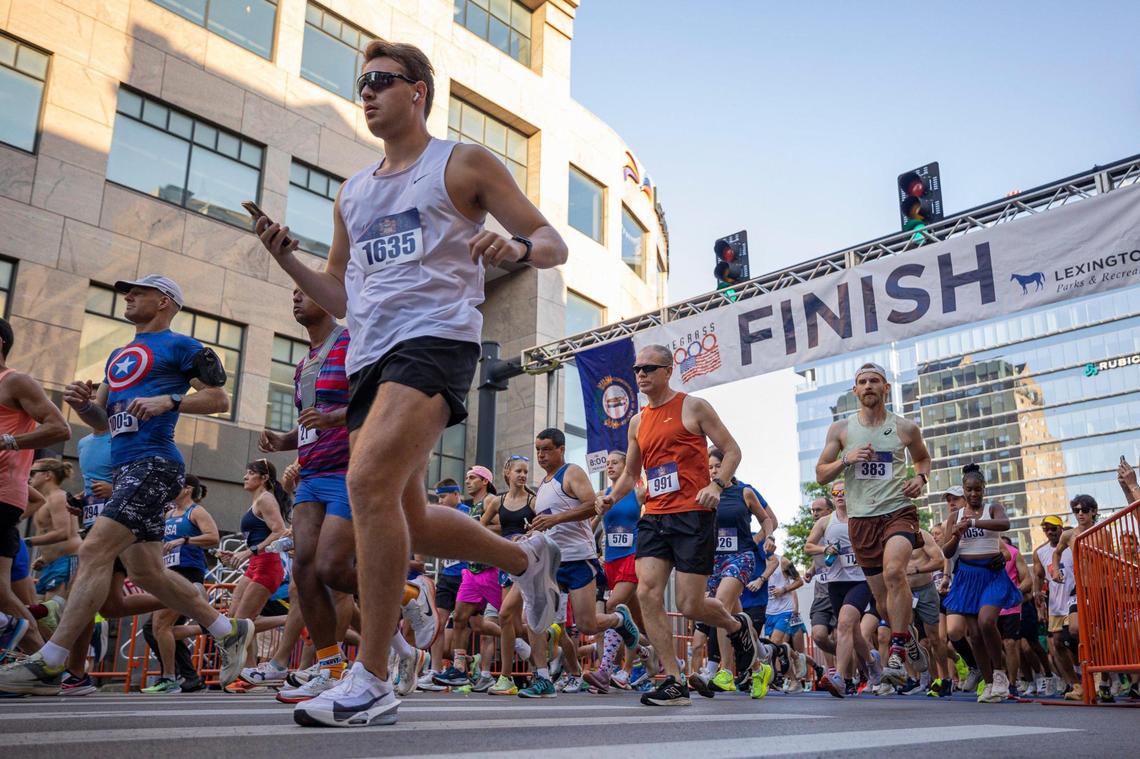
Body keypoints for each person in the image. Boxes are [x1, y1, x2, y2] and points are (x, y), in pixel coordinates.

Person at [256, 39, 567, 727]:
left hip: (436, 341)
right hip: (369, 357)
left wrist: (514, 246)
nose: (366, 92)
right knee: (410, 517)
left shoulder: (460, 163)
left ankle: (371, 677)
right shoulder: (354, 192)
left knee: (365, 484)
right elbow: (339, 295)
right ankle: (526, 555)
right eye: (360, 83)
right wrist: (288, 260)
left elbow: (551, 242)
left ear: (418, 90)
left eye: (380, 81)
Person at [0, 276, 254, 696]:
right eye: (126, 292)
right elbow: (101, 420)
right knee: (147, 572)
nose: (129, 296)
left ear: (165, 301)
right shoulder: (119, 355)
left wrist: (170, 401)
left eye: (138, 291)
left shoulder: (182, 346)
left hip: (154, 464)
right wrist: (84, 404)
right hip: (126, 470)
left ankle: (51, 663)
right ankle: (229, 630)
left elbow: (218, 399)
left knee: (94, 551)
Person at [598, 345, 757, 707]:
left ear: (668, 370)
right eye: (637, 369)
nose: (641, 374)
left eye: (649, 368)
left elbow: (732, 450)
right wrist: (611, 495)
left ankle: (736, 627)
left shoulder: (693, 406)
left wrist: (717, 485)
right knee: (646, 592)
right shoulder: (637, 422)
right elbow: (630, 473)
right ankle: (673, 679)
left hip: (693, 514)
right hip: (654, 516)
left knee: (690, 604)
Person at [815, 362, 932, 686]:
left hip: (897, 511)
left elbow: (923, 458)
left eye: (874, 381)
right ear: (855, 390)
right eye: (862, 382)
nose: (868, 386)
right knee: (881, 599)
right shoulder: (841, 430)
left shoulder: (905, 428)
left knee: (895, 572)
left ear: (886, 388)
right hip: (861, 519)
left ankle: (896, 649)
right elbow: (821, 473)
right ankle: (904, 633)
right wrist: (846, 460)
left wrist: (920, 478)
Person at [520, 428, 639, 698]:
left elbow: (592, 506)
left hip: (578, 559)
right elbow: (546, 525)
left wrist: (555, 520)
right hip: (550, 564)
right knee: (536, 620)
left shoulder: (571, 473)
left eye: (547, 449)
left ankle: (619, 620)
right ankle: (542, 678)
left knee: (586, 625)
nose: (541, 454)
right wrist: (529, 535)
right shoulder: (543, 486)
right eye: (538, 449)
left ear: (561, 449)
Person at [0, 316, 71, 655]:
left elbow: (60, 428)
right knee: (3, 591)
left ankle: (15, 629)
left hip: (1, 493)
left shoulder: (15, 382)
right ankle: (39, 664)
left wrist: (7, 442)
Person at [939, 464, 1020, 703]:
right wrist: (957, 533)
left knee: (986, 621)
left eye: (977, 489)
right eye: (969, 490)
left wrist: (973, 524)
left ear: (984, 489)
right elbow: (946, 551)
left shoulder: (992, 508)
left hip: (991, 575)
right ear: (964, 491)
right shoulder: (954, 516)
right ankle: (988, 682)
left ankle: (1000, 674)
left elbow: (1004, 525)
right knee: (973, 634)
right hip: (967, 576)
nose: (973, 494)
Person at [141, 475, 219, 694]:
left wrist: (184, 540)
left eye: (173, 485)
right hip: (168, 574)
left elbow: (213, 537)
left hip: (187, 573)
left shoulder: (195, 512)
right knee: (153, 629)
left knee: (160, 626)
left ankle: (169, 678)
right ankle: (207, 630)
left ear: (187, 489)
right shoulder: (168, 514)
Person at [220, 459, 291, 685]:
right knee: (234, 619)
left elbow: (280, 530)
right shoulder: (257, 501)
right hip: (255, 564)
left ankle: (292, 620)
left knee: (243, 622)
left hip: (268, 564)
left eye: (250, 473)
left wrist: (248, 552)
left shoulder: (266, 499)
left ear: (264, 478)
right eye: (246, 473)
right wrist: (237, 555)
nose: (245, 477)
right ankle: (248, 671)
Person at [583, 450, 646, 694]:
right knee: (636, 620)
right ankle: (651, 653)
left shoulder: (639, 492)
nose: (609, 467)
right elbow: (591, 528)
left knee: (615, 606)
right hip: (611, 561)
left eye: (615, 463)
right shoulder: (603, 495)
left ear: (626, 466)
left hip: (632, 557)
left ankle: (606, 670)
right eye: (607, 464)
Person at [804, 489, 874, 698]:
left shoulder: (861, 515)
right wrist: (824, 550)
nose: (840, 495)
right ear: (833, 498)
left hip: (860, 581)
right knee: (853, 632)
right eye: (835, 492)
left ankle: (841, 678)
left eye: (844, 491)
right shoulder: (826, 522)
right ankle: (872, 662)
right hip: (836, 583)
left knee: (844, 624)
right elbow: (808, 546)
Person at [482, 457, 537, 696]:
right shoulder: (497, 501)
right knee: (513, 623)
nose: (523, 475)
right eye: (518, 471)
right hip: (506, 564)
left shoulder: (533, 501)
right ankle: (544, 660)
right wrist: (497, 545)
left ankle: (507, 677)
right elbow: (481, 527)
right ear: (507, 473)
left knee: (505, 616)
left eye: (525, 471)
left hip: (528, 564)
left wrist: (528, 536)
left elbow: (546, 526)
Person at [1051, 494, 1100, 701]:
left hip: (1098, 589)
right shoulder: (1069, 535)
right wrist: (1055, 570)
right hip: (1077, 590)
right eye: (1076, 510)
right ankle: (1078, 683)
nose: (1080, 514)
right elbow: (1056, 553)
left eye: (1084, 510)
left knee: (1099, 636)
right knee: (1066, 635)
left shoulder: (1101, 532)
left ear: (1093, 512)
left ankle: (1101, 679)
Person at [1034, 514, 1076, 696]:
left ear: (1061, 528)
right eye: (1046, 529)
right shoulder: (1040, 552)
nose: (1050, 532)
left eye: (1054, 528)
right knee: (1057, 643)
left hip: (1075, 600)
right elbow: (1037, 575)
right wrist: (1038, 594)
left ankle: (1097, 677)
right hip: (1055, 604)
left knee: (1076, 637)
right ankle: (1073, 683)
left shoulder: (1073, 545)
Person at [27, 459, 81, 600]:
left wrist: (26, 542)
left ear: (47, 475)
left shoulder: (58, 497)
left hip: (67, 561)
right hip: (52, 564)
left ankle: (99, 623)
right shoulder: (45, 499)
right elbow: (49, 532)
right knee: (44, 615)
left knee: (52, 615)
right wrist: (45, 557)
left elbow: (63, 533)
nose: (29, 477)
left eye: (33, 473)